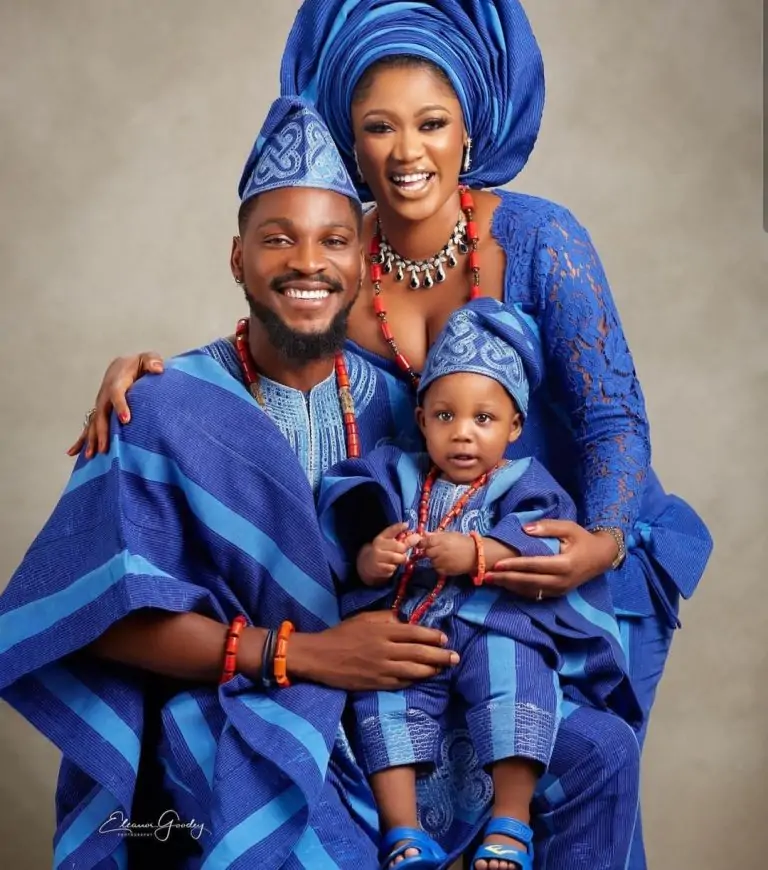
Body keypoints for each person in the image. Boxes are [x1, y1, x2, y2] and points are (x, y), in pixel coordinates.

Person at [68, 1, 715, 866]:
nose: (408, 151)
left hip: (557, 563)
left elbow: (611, 418)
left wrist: (599, 541)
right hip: (422, 575)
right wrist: (147, 372)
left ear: (470, 130)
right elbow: (271, 350)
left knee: (584, 761)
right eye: (380, 126)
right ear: (354, 141)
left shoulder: (539, 239)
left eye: (432, 122)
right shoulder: (340, 252)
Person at [0, 96, 467, 870]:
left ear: (362, 262)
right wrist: (307, 656)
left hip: (391, 708)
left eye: (334, 240)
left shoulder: (411, 408)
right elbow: (98, 616)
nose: (309, 262)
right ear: (236, 259)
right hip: (230, 706)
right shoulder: (160, 405)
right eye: (278, 238)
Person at [318, 298, 640, 870]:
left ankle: (510, 821)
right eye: (445, 416)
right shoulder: (395, 472)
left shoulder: (525, 482)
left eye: (483, 420)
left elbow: (544, 543)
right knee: (383, 696)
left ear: (514, 426)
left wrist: (476, 552)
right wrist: (374, 557)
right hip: (415, 627)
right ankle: (403, 833)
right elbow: (350, 533)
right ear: (422, 419)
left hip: (495, 624)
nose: (463, 434)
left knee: (518, 676)